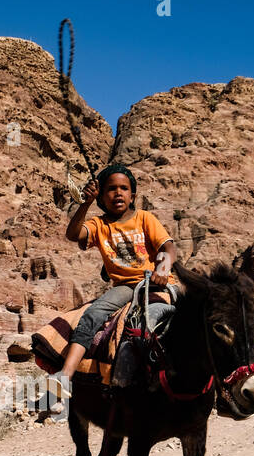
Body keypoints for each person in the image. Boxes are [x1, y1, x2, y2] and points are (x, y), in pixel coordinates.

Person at [50, 164, 181, 403]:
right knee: (92, 315)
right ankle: (65, 376)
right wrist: (85, 204)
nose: (118, 193)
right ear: (101, 196)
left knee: (162, 319)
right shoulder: (99, 225)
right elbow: (73, 234)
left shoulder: (145, 218)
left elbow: (168, 247)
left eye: (124, 188)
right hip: (125, 286)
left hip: (155, 282)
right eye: (111, 189)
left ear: (133, 195)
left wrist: (163, 267)